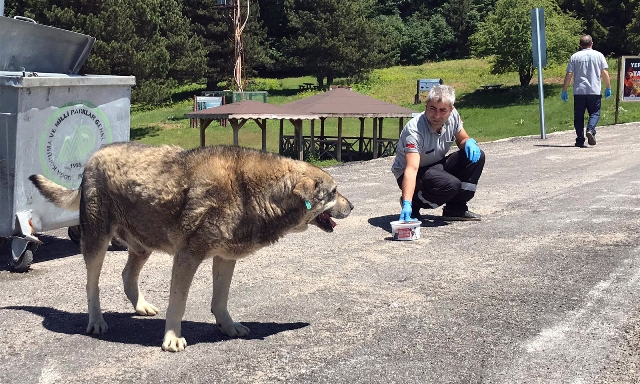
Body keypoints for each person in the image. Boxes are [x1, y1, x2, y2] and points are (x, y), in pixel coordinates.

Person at [391, 84, 485, 222]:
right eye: (432, 109)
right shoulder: (414, 130)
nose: (437, 115)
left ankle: (455, 209)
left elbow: (462, 139)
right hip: (412, 172)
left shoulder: (453, 116)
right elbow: (412, 168)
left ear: (451, 110)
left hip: (436, 165)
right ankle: (416, 203)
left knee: (476, 157)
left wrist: (470, 142)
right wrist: (407, 203)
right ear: (426, 105)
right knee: (451, 185)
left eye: (443, 110)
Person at [561, 34, 611, 147]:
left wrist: (564, 89)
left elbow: (569, 73)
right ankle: (590, 129)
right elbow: (604, 72)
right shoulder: (599, 55)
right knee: (595, 113)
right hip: (594, 90)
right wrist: (608, 87)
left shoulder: (575, 57)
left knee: (578, 116)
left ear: (580, 45)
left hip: (579, 91)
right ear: (592, 44)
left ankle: (579, 139)